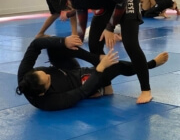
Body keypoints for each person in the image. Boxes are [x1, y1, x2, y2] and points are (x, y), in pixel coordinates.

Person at [47, 0, 153, 104]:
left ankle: (146, 90)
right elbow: (81, 11)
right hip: (107, 3)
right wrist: (78, 38)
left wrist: (110, 28)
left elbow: (121, 0)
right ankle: (106, 85)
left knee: (130, 43)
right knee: (94, 45)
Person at [16, 36, 168, 111]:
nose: (48, 74)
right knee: (116, 67)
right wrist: (100, 69)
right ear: (42, 93)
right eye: (48, 79)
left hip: (67, 68)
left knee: (56, 47)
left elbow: (36, 44)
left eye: (43, 72)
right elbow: (82, 92)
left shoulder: (25, 75)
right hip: (81, 82)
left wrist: (64, 41)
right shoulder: (48, 103)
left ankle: (96, 59)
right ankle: (150, 65)